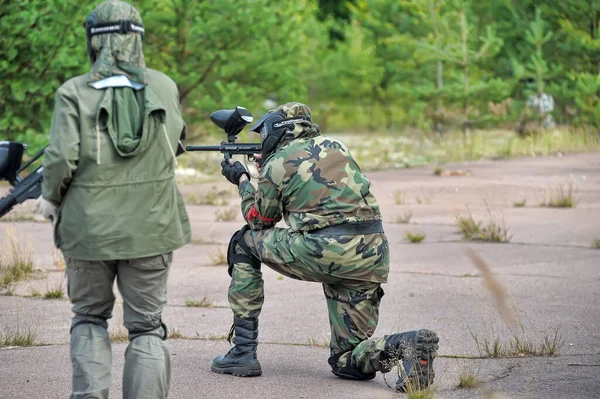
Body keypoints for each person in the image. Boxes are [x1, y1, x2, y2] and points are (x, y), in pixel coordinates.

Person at [214, 102, 439, 391]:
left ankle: (242, 352)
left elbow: (260, 219)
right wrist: (266, 169)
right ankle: (407, 343)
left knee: (243, 242)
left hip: (325, 251)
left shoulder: (276, 164)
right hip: (371, 254)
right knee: (346, 361)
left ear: (275, 131)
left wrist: (243, 180)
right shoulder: (337, 147)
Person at [36, 1, 191, 398]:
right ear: (136, 39)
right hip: (152, 227)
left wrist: (50, 198)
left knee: (88, 318)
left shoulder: (74, 92)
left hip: (88, 231)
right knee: (147, 327)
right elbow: (174, 142)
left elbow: (60, 159)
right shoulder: (164, 86)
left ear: (94, 42)